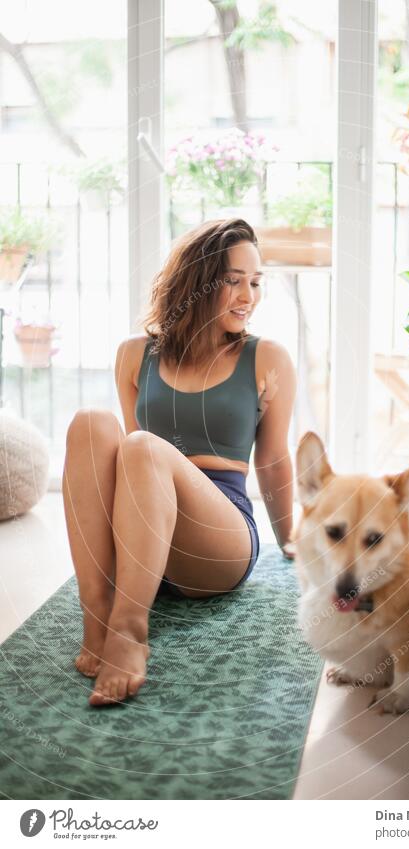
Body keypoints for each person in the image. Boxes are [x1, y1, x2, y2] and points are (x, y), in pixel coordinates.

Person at [62, 218, 297, 707]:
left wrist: (289, 536)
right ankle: (98, 618)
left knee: (145, 446)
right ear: (197, 280)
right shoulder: (134, 354)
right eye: (233, 279)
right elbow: (119, 462)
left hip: (217, 538)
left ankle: (129, 631)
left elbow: (272, 458)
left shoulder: (267, 358)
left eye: (255, 282)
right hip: (143, 532)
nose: (248, 295)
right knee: (91, 424)